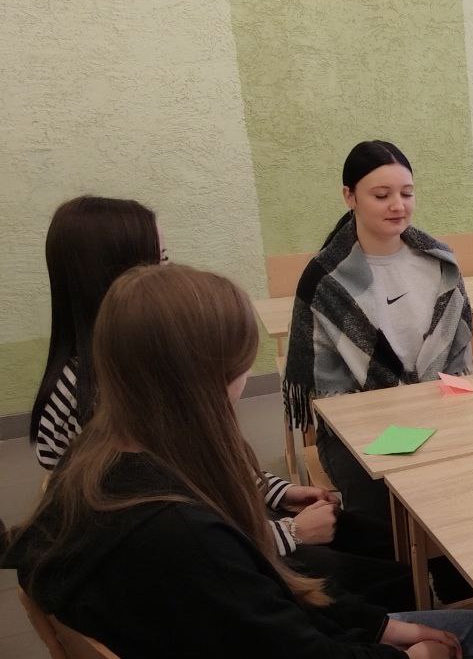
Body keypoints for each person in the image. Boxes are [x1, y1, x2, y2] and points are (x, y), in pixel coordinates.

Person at [3, 265, 473, 659]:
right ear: (204, 377)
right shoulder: (178, 536)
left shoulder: (100, 467)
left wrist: (384, 628)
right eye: (240, 365)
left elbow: (271, 613)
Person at [29, 195, 413, 612]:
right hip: (214, 574)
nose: (171, 273)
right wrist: (291, 533)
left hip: (233, 534)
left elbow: (209, 461)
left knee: (381, 538)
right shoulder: (115, 400)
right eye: (160, 260)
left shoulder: (135, 371)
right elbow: (180, 544)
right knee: (388, 575)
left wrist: (277, 492)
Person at [284, 140, 473, 603]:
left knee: (465, 495)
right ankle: (401, 605)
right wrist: (397, 420)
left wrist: (439, 410)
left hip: (437, 410)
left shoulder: (439, 261)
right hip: (357, 428)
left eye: (406, 193)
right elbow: (328, 392)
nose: (397, 206)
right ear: (349, 196)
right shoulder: (326, 278)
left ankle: (461, 595)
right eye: (381, 195)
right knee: (385, 511)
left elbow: (458, 355)